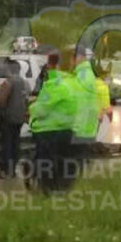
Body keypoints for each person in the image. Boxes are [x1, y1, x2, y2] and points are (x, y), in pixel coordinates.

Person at [28, 51, 76, 193]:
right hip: (69, 128)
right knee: (64, 161)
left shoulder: (54, 85)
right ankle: (63, 187)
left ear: (50, 66)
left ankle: (48, 189)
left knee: (46, 162)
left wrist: (31, 108)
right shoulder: (74, 83)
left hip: (49, 130)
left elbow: (42, 109)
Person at [0, 58, 28, 178]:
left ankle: (7, 169)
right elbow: (26, 100)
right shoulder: (25, 83)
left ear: (10, 69)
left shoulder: (8, 83)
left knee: (7, 143)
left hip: (8, 118)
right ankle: (13, 168)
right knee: (15, 143)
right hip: (19, 118)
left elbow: (1, 101)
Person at [67, 47, 99, 165]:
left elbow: (77, 101)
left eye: (72, 58)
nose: (71, 61)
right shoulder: (85, 73)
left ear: (80, 57)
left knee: (79, 162)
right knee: (83, 161)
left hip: (80, 127)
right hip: (87, 126)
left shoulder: (83, 76)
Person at [93, 62, 113, 139]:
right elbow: (106, 105)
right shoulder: (103, 87)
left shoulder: (87, 85)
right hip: (97, 117)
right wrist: (110, 117)